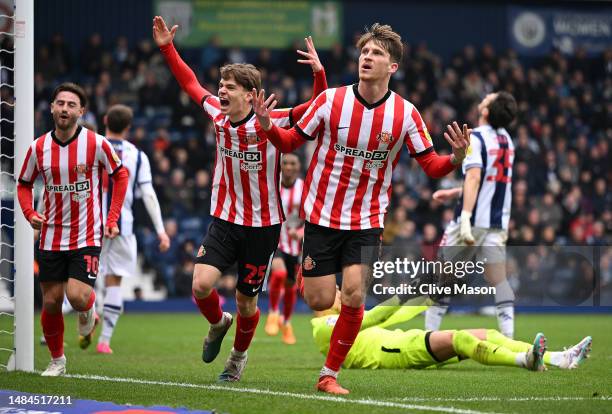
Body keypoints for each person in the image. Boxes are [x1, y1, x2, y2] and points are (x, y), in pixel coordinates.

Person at [253, 23, 471, 394]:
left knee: (354, 295)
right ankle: (310, 281)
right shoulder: (331, 101)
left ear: (393, 67)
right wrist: (265, 126)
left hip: (367, 219)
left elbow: (431, 166)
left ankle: (328, 375)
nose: (367, 58)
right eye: (364, 52)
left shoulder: (405, 114)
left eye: (376, 54)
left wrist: (456, 158)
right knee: (320, 299)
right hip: (321, 216)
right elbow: (289, 143)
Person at [152, 16, 328, 382]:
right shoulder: (216, 114)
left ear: (250, 94)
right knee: (200, 284)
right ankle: (219, 323)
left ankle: (237, 359)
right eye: (220, 84)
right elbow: (188, 82)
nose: (221, 90)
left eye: (229, 86)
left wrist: (319, 74)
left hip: (263, 226)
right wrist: (168, 47)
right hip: (226, 219)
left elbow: (316, 106)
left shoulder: (273, 119)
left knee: (247, 302)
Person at [16, 82, 129, 376]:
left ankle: (88, 309)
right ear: (52, 107)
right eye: (60, 103)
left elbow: (121, 175)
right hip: (51, 236)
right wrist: (29, 213)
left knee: (78, 297)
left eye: (71, 104)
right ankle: (57, 361)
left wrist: (113, 217)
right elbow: (24, 183)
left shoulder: (97, 144)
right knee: (52, 302)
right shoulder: (38, 148)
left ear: (82, 111)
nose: (65, 108)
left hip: (86, 234)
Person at [425, 92, 518, 339]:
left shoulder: (474, 137)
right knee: (499, 280)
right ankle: (509, 339)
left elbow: (475, 177)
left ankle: (428, 336)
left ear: (486, 111)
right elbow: (492, 181)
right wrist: (457, 191)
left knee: (441, 277)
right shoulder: (508, 141)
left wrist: (465, 217)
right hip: (497, 222)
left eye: (489, 98)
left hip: (471, 221)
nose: (485, 97)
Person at [312, 292, 592, 372]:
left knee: (490, 334)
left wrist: (427, 296)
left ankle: (559, 358)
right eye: (336, 291)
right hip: (395, 352)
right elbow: (374, 317)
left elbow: (388, 316)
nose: (340, 293)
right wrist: (405, 293)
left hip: (401, 344)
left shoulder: (343, 320)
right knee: (460, 339)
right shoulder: (322, 328)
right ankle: (525, 361)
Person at [96, 104, 171, 354]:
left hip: (89, 221)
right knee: (114, 280)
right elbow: (148, 195)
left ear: (105, 120)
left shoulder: (91, 146)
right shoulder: (137, 156)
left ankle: (78, 319)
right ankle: (104, 340)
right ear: (128, 127)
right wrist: (160, 230)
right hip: (121, 226)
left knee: (76, 275)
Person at [264, 153, 304, 344]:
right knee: (278, 274)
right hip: (275, 240)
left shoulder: (304, 189)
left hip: (295, 246)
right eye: (285, 163)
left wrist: (302, 231)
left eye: (292, 163)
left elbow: (313, 215)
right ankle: (273, 313)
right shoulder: (272, 183)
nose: (288, 166)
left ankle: (286, 323)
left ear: (298, 166)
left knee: (290, 286)